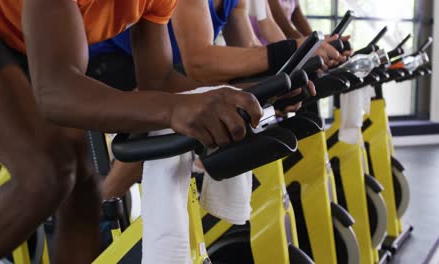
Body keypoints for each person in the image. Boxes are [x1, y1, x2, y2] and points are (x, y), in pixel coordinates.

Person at [0, 0, 266, 262]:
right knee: (47, 172)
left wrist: (255, 96)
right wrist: (173, 109)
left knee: (83, 186)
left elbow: (159, 79)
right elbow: (56, 94)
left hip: (19, 40)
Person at [90, 0, 347, 201]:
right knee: (162, 120)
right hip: (103, 68)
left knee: (194, 106)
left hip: (157, 72)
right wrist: (288, 49)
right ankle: (101, 211)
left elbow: (248, 50)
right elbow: (200, 62)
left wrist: (269, 89)